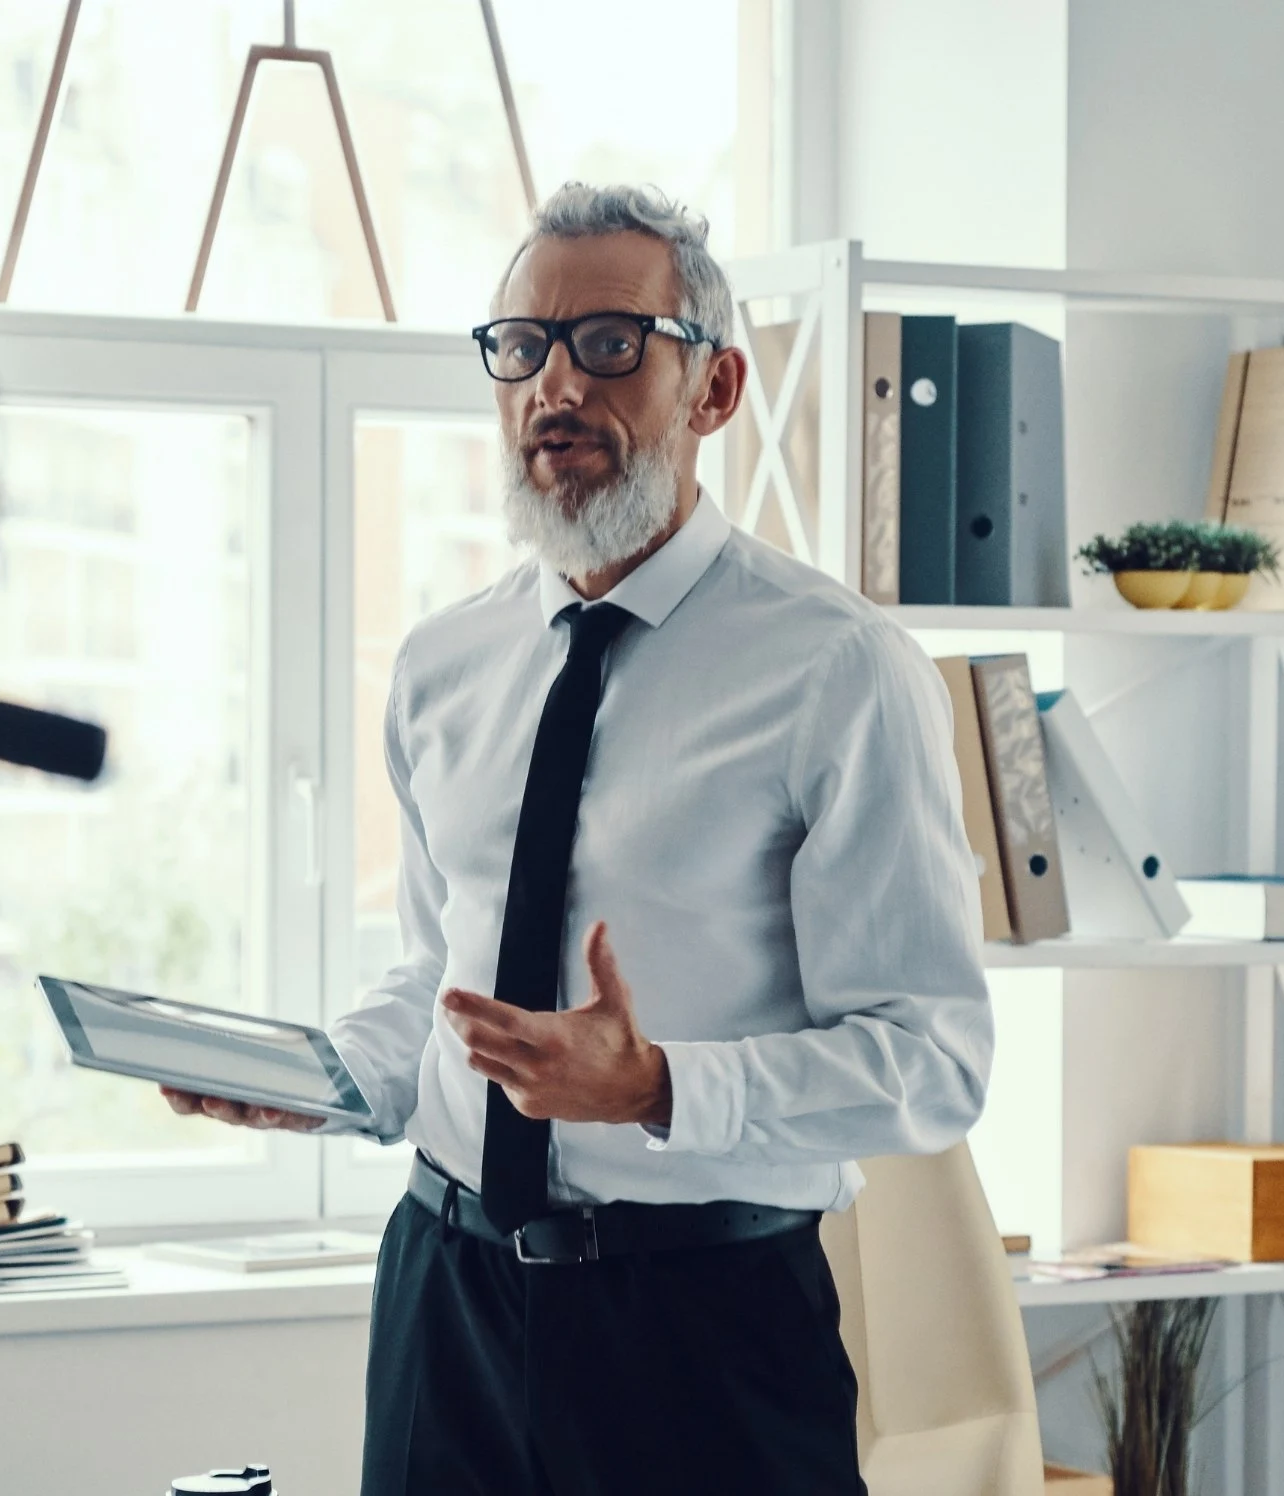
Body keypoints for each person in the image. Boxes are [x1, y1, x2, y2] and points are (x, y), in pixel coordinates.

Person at [163, 182, 993, 1494]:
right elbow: (440, 977)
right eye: (521, 347)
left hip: (703, 1327)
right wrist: (330, 1082)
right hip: (445, 1300)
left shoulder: (841, 672)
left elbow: (932, 1060)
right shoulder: (444, 664)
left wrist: (655, 1086)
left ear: (714, 387)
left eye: (610, 344)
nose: (555, 386)